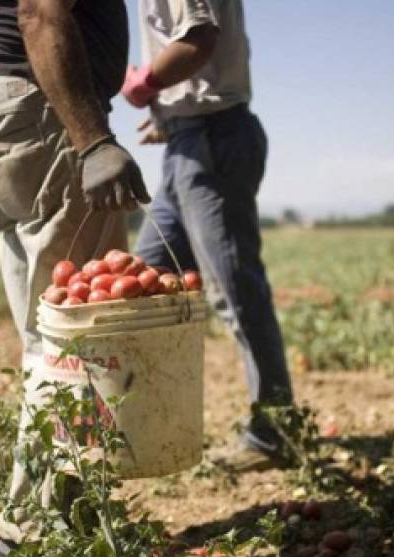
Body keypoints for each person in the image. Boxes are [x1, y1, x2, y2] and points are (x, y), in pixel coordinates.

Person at [0, 0, 149, 557]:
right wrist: (92, 139)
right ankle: (33, 537)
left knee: (47, 338)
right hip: (42, 108)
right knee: (76, 342)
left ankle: (58, 518)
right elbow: (39, 10)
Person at [122, 0, 294, 472]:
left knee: (235, 291)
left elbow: (198, 39)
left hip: (212, 139)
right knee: (145, 285)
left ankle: (275, 433)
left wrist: (144, 85)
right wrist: (171, 116)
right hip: (188, 141)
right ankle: (151, 426)